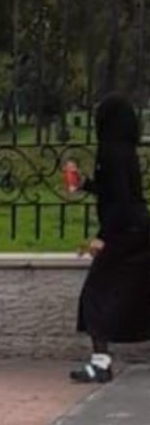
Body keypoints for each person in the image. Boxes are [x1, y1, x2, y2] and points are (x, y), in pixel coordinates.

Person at [66, 93, 150, 383]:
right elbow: (114, 190)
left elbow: (121, 201)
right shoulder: (124, 150)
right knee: (135, 292)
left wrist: (102, 237)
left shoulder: (111, 152)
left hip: (124, 233)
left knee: (96, 294)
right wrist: (85, 184)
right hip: (138, 230)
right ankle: (100, 361)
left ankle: (100, 363)